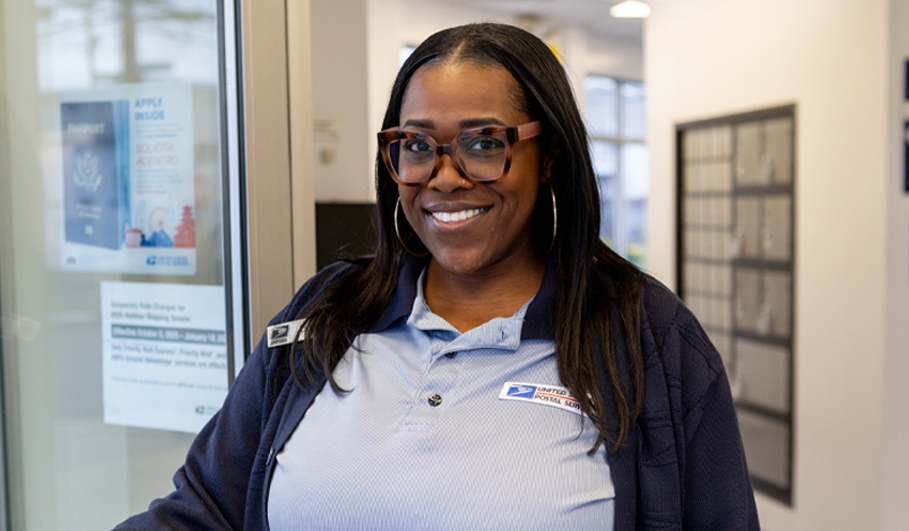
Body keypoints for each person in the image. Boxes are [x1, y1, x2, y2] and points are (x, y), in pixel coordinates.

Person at [115, 23, 759, 531]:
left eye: (484, 143)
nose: (444, 177)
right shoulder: (326, 314)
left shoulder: (649, 339)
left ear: (549, 153)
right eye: (417, 146)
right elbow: (203, 511)